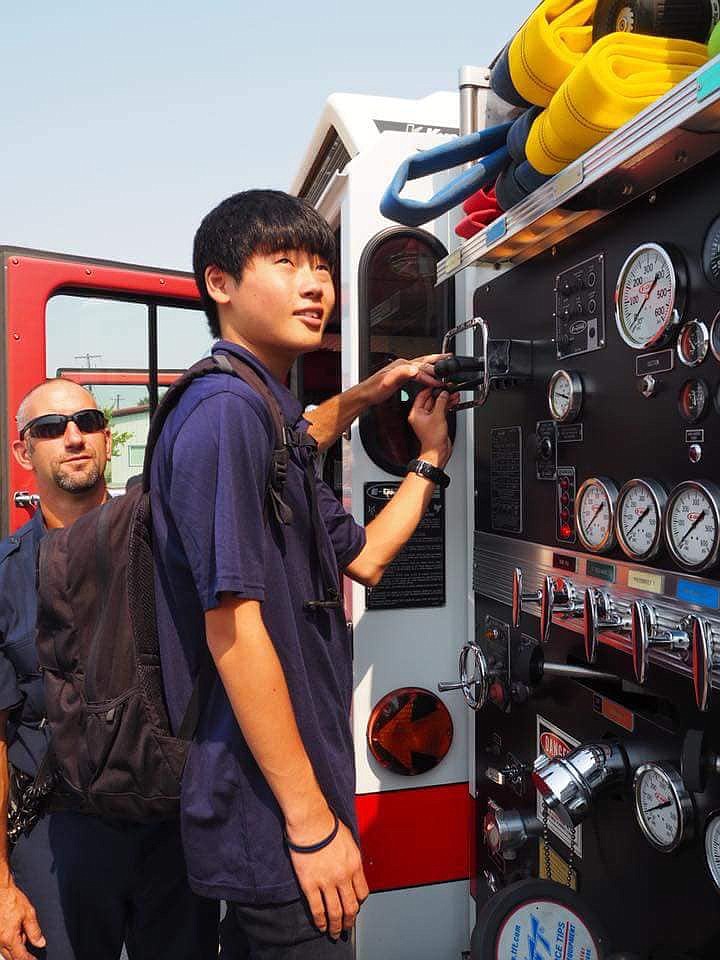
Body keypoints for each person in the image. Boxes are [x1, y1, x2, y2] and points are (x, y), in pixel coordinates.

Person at [151, 189, 454, 958]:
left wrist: (426, 456)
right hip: (272, 816)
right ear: (220, 283)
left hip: (292, 796)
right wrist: (312, 825)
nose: (315, 285)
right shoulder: (225, 413)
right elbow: (232, 627)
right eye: (284, 263)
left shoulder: (268, 415)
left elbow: (368, 557)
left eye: (322, 266)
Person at [0, 378, 219, 960]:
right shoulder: (4, 578)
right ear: (24, 452)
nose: (72, 437)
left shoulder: (166, 544)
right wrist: (0, 886)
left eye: (88, 422)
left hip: (170, 821)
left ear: (106, 438)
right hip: (61, 826)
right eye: (50, 429)